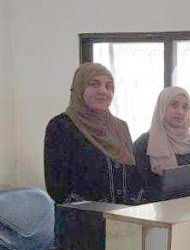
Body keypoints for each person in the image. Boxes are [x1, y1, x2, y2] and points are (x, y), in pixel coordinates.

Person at [44, 62, 142, 204]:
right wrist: (95, 210)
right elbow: (57, 187)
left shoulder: (120, 127)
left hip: (122, 215)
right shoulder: (61, 126)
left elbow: (134, 176)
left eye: (108, 86)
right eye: (94, 84)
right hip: (80, 215)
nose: (103, 91)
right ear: (79, 88)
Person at [133, 86, 190, 200]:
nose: (180, 112)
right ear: (162, 107)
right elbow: (136, 188)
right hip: (160, 208)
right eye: (174, 105)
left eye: (185, 107)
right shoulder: (145, 144)